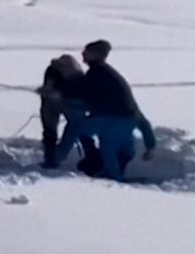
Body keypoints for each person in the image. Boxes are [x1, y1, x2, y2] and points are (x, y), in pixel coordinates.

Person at [66, 40, 155, 180]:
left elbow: (82, 94)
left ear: (96, 55)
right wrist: (151, 145)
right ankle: (106, 167)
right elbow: (142, 121)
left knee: (98, 139)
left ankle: (112, 176)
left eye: (87, 51)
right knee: (117, 145)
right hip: (127, 117)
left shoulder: (97, 75)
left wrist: (59, 96)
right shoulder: (109, 74)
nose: (83, 54)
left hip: (114, 118)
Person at [38, 54, 94, 169]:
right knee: (51, 130)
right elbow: (49, 88)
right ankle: (51, 159)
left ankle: (91, 156)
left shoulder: (77, 77)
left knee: (78, 126)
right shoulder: (53, 72)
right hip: (51, 103)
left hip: (69, 102)